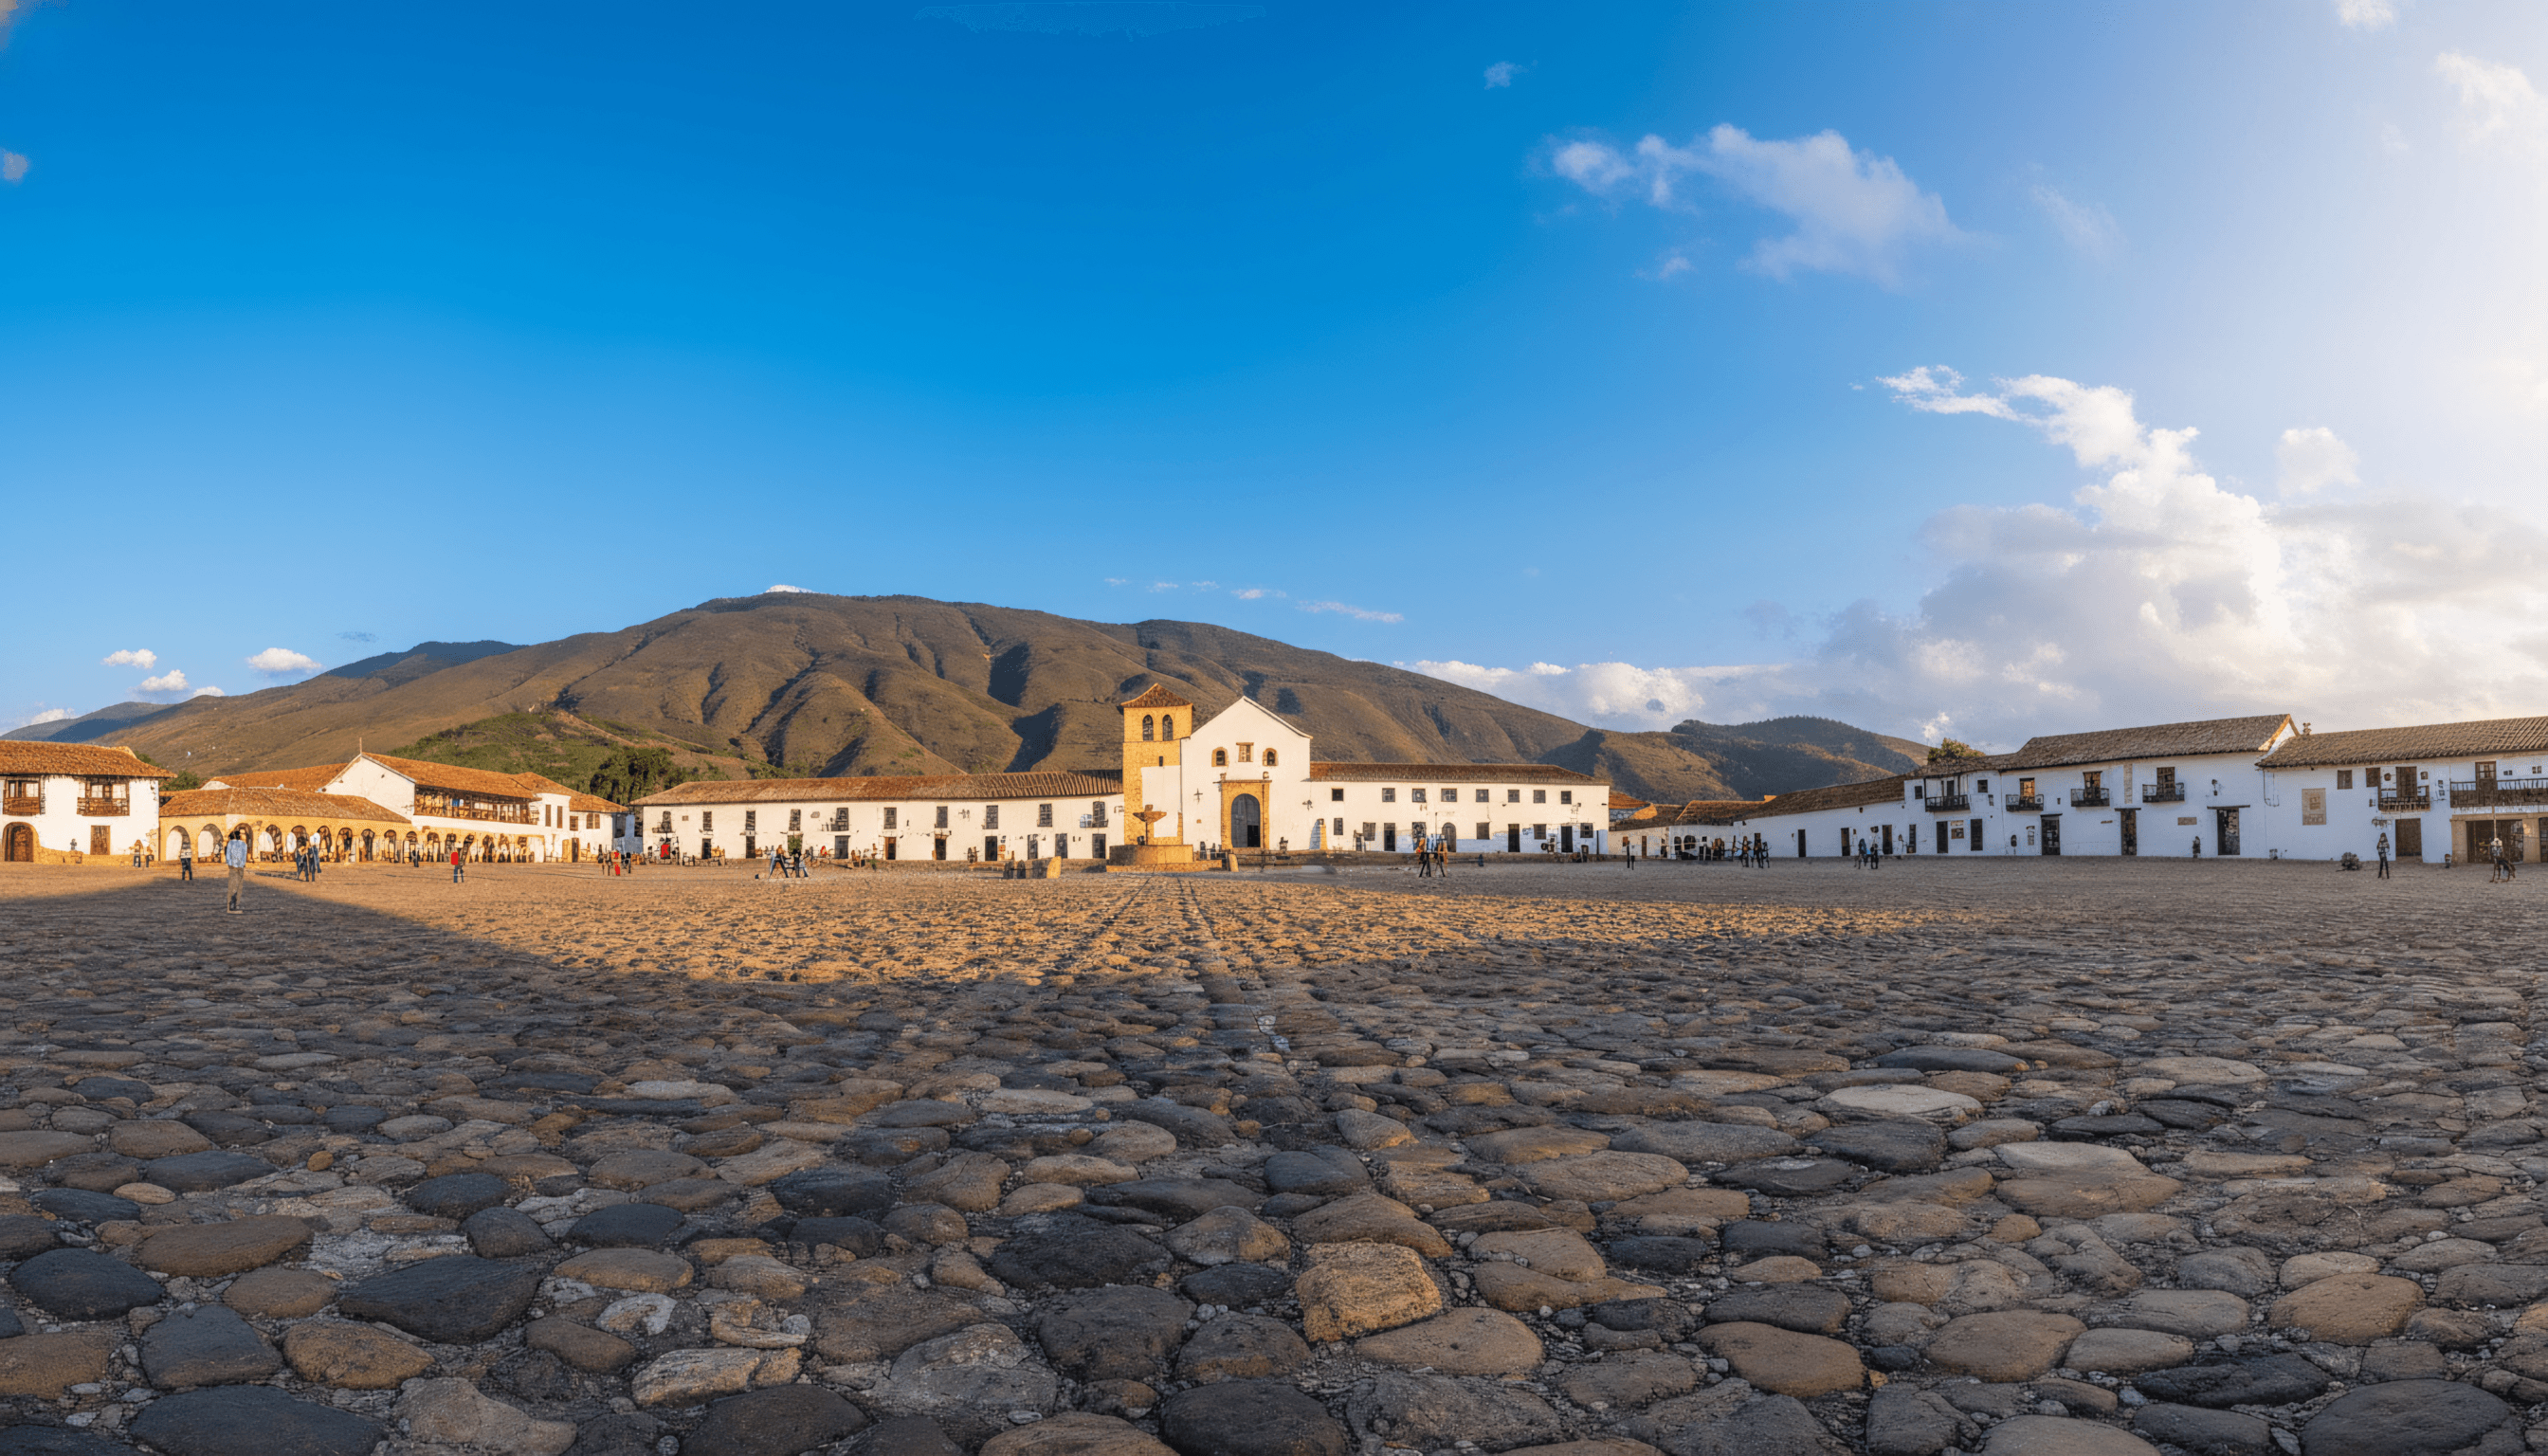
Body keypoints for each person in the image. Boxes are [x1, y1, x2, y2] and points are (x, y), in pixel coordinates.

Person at [224, 831, 247, 913]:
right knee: (238, 886)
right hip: (240, 867)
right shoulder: (244, 844)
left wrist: (230, 864)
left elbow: (228, 856)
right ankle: (235, 904)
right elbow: (244, 856)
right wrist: (242, 864)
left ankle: (230, 905)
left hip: (233, 867)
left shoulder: (230, 843)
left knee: (232, 885)